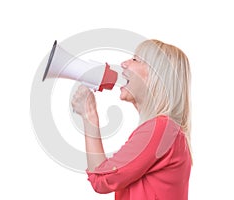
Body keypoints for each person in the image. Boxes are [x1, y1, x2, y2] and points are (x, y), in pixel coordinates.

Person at [71, 39, 192, 200]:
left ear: (157, 77)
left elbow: (102, 179)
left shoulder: (162, 129)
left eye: (136, 59)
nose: (124, 64)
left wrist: (89, 116)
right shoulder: (167, 131)